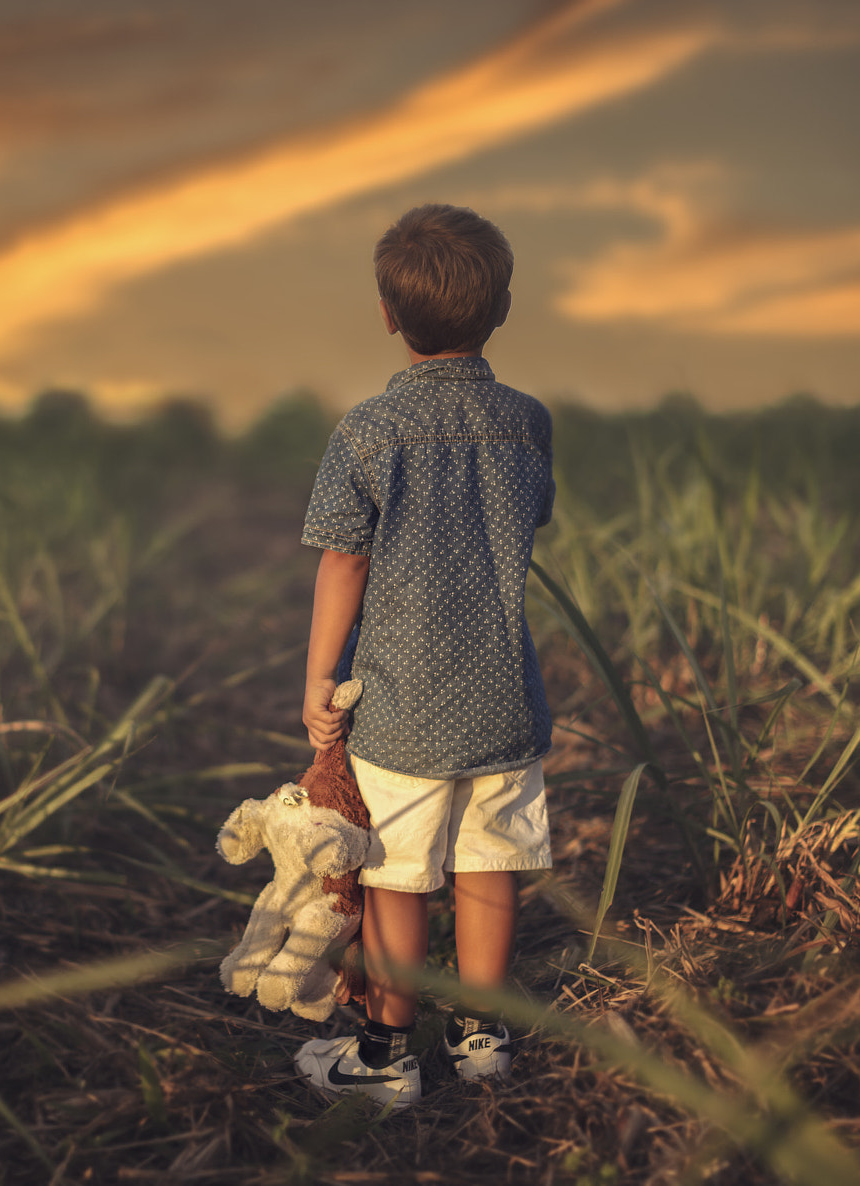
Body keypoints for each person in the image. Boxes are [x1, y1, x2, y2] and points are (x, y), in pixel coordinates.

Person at [292, 203, 555, 1110]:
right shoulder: (526, 423)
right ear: (504, 307)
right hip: (504, 699)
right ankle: (482, 1034)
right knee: (489, 862)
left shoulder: (368, 431)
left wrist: (322, 678)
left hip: (402, 706)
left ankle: (387, 1051)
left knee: (395, 875)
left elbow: (346, 558)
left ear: (387, 313)